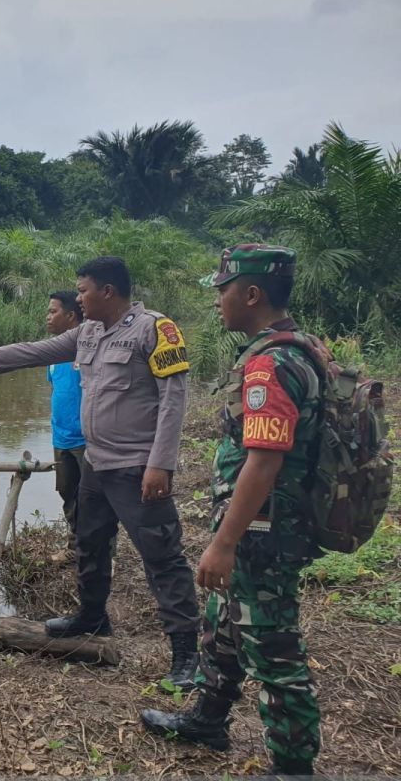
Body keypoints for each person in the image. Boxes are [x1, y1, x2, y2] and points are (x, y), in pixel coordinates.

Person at [0, 256, 200, 689]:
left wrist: (160, 464)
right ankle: (92, 617)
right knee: (90, 543)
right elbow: (34, 351)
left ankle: (187, 654)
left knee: (162, 559)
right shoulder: (89, 332)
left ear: (107, 291)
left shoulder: (154, 329)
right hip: (96, 463)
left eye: (84, 290)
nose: (79, 298)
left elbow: (173, 400)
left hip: (136, 468)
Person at [141, 245, 322, 776]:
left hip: (263, 530)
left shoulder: (271, 364)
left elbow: (264, 462)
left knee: (272, 644)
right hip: (255, 525)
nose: (217, 300)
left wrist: (223, 543)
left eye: (222, 289)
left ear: (251, 294)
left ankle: (292, 766)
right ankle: (208, 719)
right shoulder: (297, 347)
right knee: (221, 626)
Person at [45, 291, 86, 560]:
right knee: (67, 494)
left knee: (95, 498)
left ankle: (105, 554)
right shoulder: (50, 352)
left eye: (53, 312)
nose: (48, 317)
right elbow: (57, 389)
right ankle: (74, 548)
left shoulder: (91, 347)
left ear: (70, 316)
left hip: (88, 439)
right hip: (61, 438)